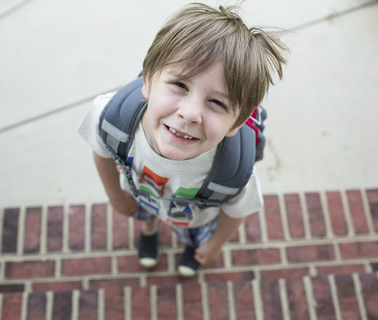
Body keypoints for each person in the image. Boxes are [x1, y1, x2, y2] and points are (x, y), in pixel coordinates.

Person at [78, 2, 288, 277]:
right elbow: (102, 151)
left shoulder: (234, 170)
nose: (190, 114)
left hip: (195, 219)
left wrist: (213, 244)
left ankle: (193, 246)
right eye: (180, 85)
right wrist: (115, 196)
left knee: (194, 235)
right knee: (146, 212)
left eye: (216, 102)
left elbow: (237, 211)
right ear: (150, 78)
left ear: (237, 122)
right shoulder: (113, 118)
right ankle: (149, 228)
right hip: (141, 194)